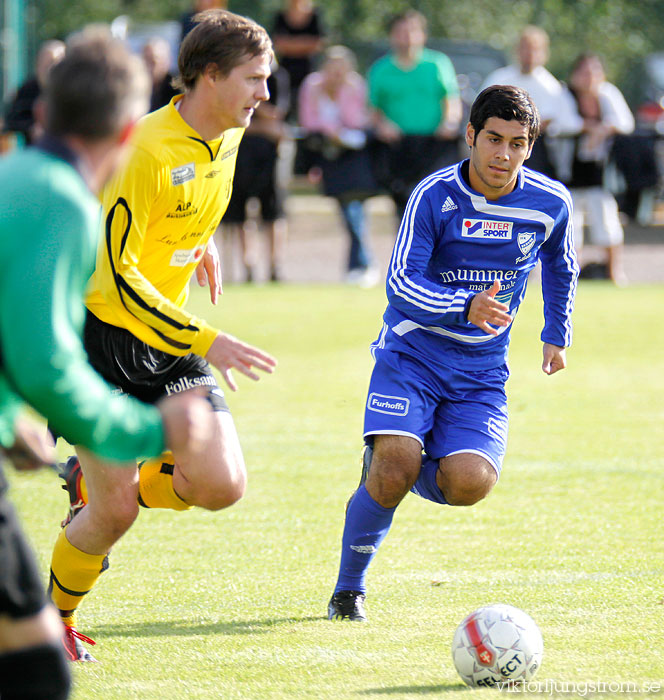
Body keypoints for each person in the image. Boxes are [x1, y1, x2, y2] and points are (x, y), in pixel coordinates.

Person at [47, 9, 277, 662]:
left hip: (162, 338)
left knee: (221, 484)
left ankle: (92, 483)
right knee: (116, 515)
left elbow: (183, 213)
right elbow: (112, 281)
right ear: (208, 76)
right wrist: (208, 339)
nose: (265, 94)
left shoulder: (227, 135)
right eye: (255, 79)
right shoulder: (144, 150)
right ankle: (55, 622)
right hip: (100, 343)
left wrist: (196, 244)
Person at [0, 34, 215, 698]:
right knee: (37, 675)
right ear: (128, 132)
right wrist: (153, 433)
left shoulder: (14, 176)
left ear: (43, 113)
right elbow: (47, 369)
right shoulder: (65, 202)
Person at [327, 85, 579, 621]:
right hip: (412, 357)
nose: (502, 155)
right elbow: (400, 284)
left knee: (470, 484)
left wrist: (556, 332)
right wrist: (466, 306)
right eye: (492, 139)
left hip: (482, 373)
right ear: (470, 135)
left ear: (530, 147)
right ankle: (349, 590)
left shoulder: (551, 202)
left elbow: (561, 263)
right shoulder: (434, 196)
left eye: (516, 143)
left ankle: (394, 463)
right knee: (395, 466)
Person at [367, 10, 462, 220]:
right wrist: (383, 125)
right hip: (398, 146)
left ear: (422, 35)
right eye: (401, 32)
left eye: (412, 31)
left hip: (434, 145)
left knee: (437, 205)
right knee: (405, 207)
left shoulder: (437, 64)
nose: (407, 37)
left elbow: (451, 100)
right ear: (392, 35)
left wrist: (449, 121)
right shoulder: (380, 69)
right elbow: (373, 110)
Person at [298, 45, 379, 286]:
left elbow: (356, 121)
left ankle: (362, 263)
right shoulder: (311, 87)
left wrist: (337, 123)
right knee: (347, 211)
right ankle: (359, 264)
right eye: (331, 69)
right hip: (328, 156)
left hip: (353, 157)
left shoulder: (355, 86)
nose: (336, 75)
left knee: (354, 208)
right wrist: (331, 131)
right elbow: (308, 121)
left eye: (341, 70)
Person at [562, 53, 634, 285]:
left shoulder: (608, 95)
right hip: (568, 175)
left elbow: (626, 123)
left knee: (608, 225)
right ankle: (570, 276)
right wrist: (588, 127)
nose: (589, 78)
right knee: (571, 230)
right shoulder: (564, 96)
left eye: (594, 72)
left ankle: (615, 274)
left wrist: (603, 129)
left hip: (599, 177)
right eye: (584, 72)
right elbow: (560, 123)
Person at [481, 25, 582, 178]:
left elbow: (570, 123)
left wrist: (545, 125)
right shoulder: (499, 79)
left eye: (534, 49)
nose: (529, 54)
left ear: (544, 53)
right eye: (525, 48)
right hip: (498, 147)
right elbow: (480, 110)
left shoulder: (552, 87)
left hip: (537, 153)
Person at [221, 61, 290, 283]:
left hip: (270, 157)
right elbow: (230, 117)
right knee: (239, 214)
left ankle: (274, 266)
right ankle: (247, 266)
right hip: (239, 154)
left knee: (273, 213)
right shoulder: (235, 75)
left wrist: (248, 112)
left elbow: (276, 115)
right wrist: (262, 125)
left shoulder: (278, 77)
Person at [2, 39, 65, 146]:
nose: (49, 68)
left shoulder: (73, 91)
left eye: (54, 62)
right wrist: (31, 127)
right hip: (35, 151)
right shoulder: (27, 89)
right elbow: (11, 120)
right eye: (46, 62)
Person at [271, 0, 326, 120]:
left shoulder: (314, 16)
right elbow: (277, 44)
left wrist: (290, 44)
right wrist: (304, 44)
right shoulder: (281, 16)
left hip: (307, 69)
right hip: (285, 69)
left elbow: (318, 44)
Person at [142, 36, 179, 112]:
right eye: (145, 60)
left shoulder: (177, 90)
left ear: (167, 61)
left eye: (153, 61)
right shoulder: (137, 87)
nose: (149, 67)